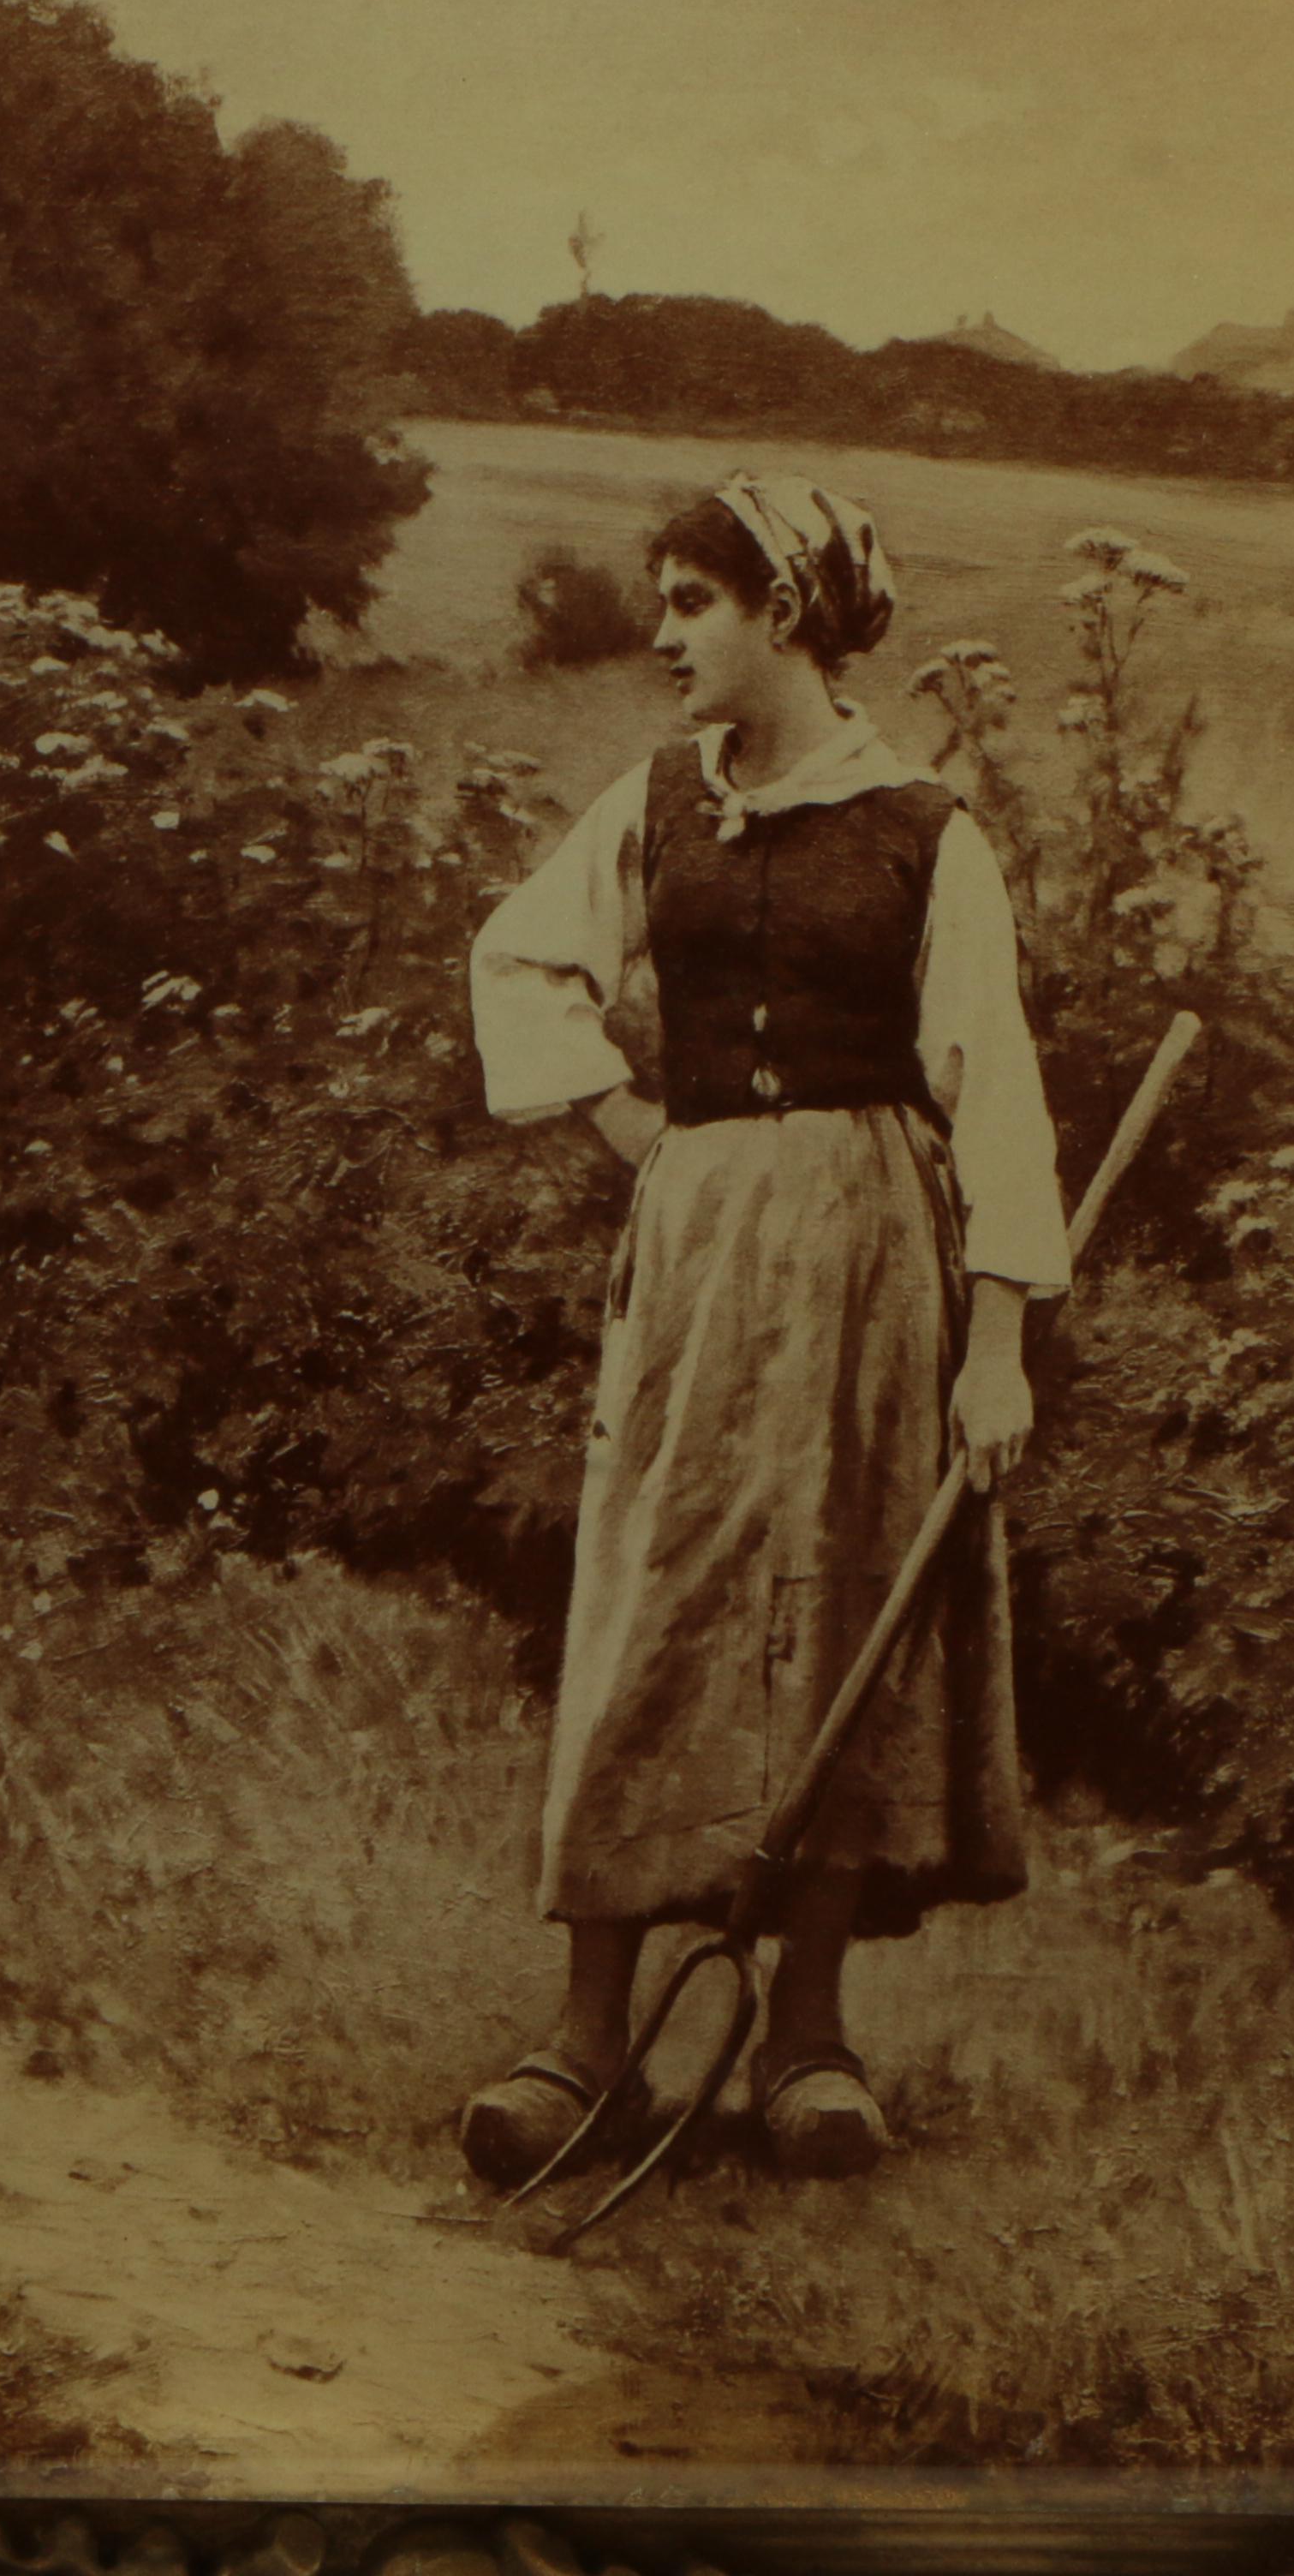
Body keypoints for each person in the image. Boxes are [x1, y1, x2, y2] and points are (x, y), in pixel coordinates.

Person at [458, 475, 1071, 2184]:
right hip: (705, 1256)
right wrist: (627, 1124)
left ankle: (806, 2041)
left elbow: (995, 1085)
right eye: (663, 602)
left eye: (690, 603)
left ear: (784, 612)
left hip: (882, 1256)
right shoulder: (653, 806)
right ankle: (587, 2044)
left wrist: (999, 1340)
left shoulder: (926, 832)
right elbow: (520, 963)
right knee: (659, 1589)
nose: (663, 637)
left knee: (847, 1598)